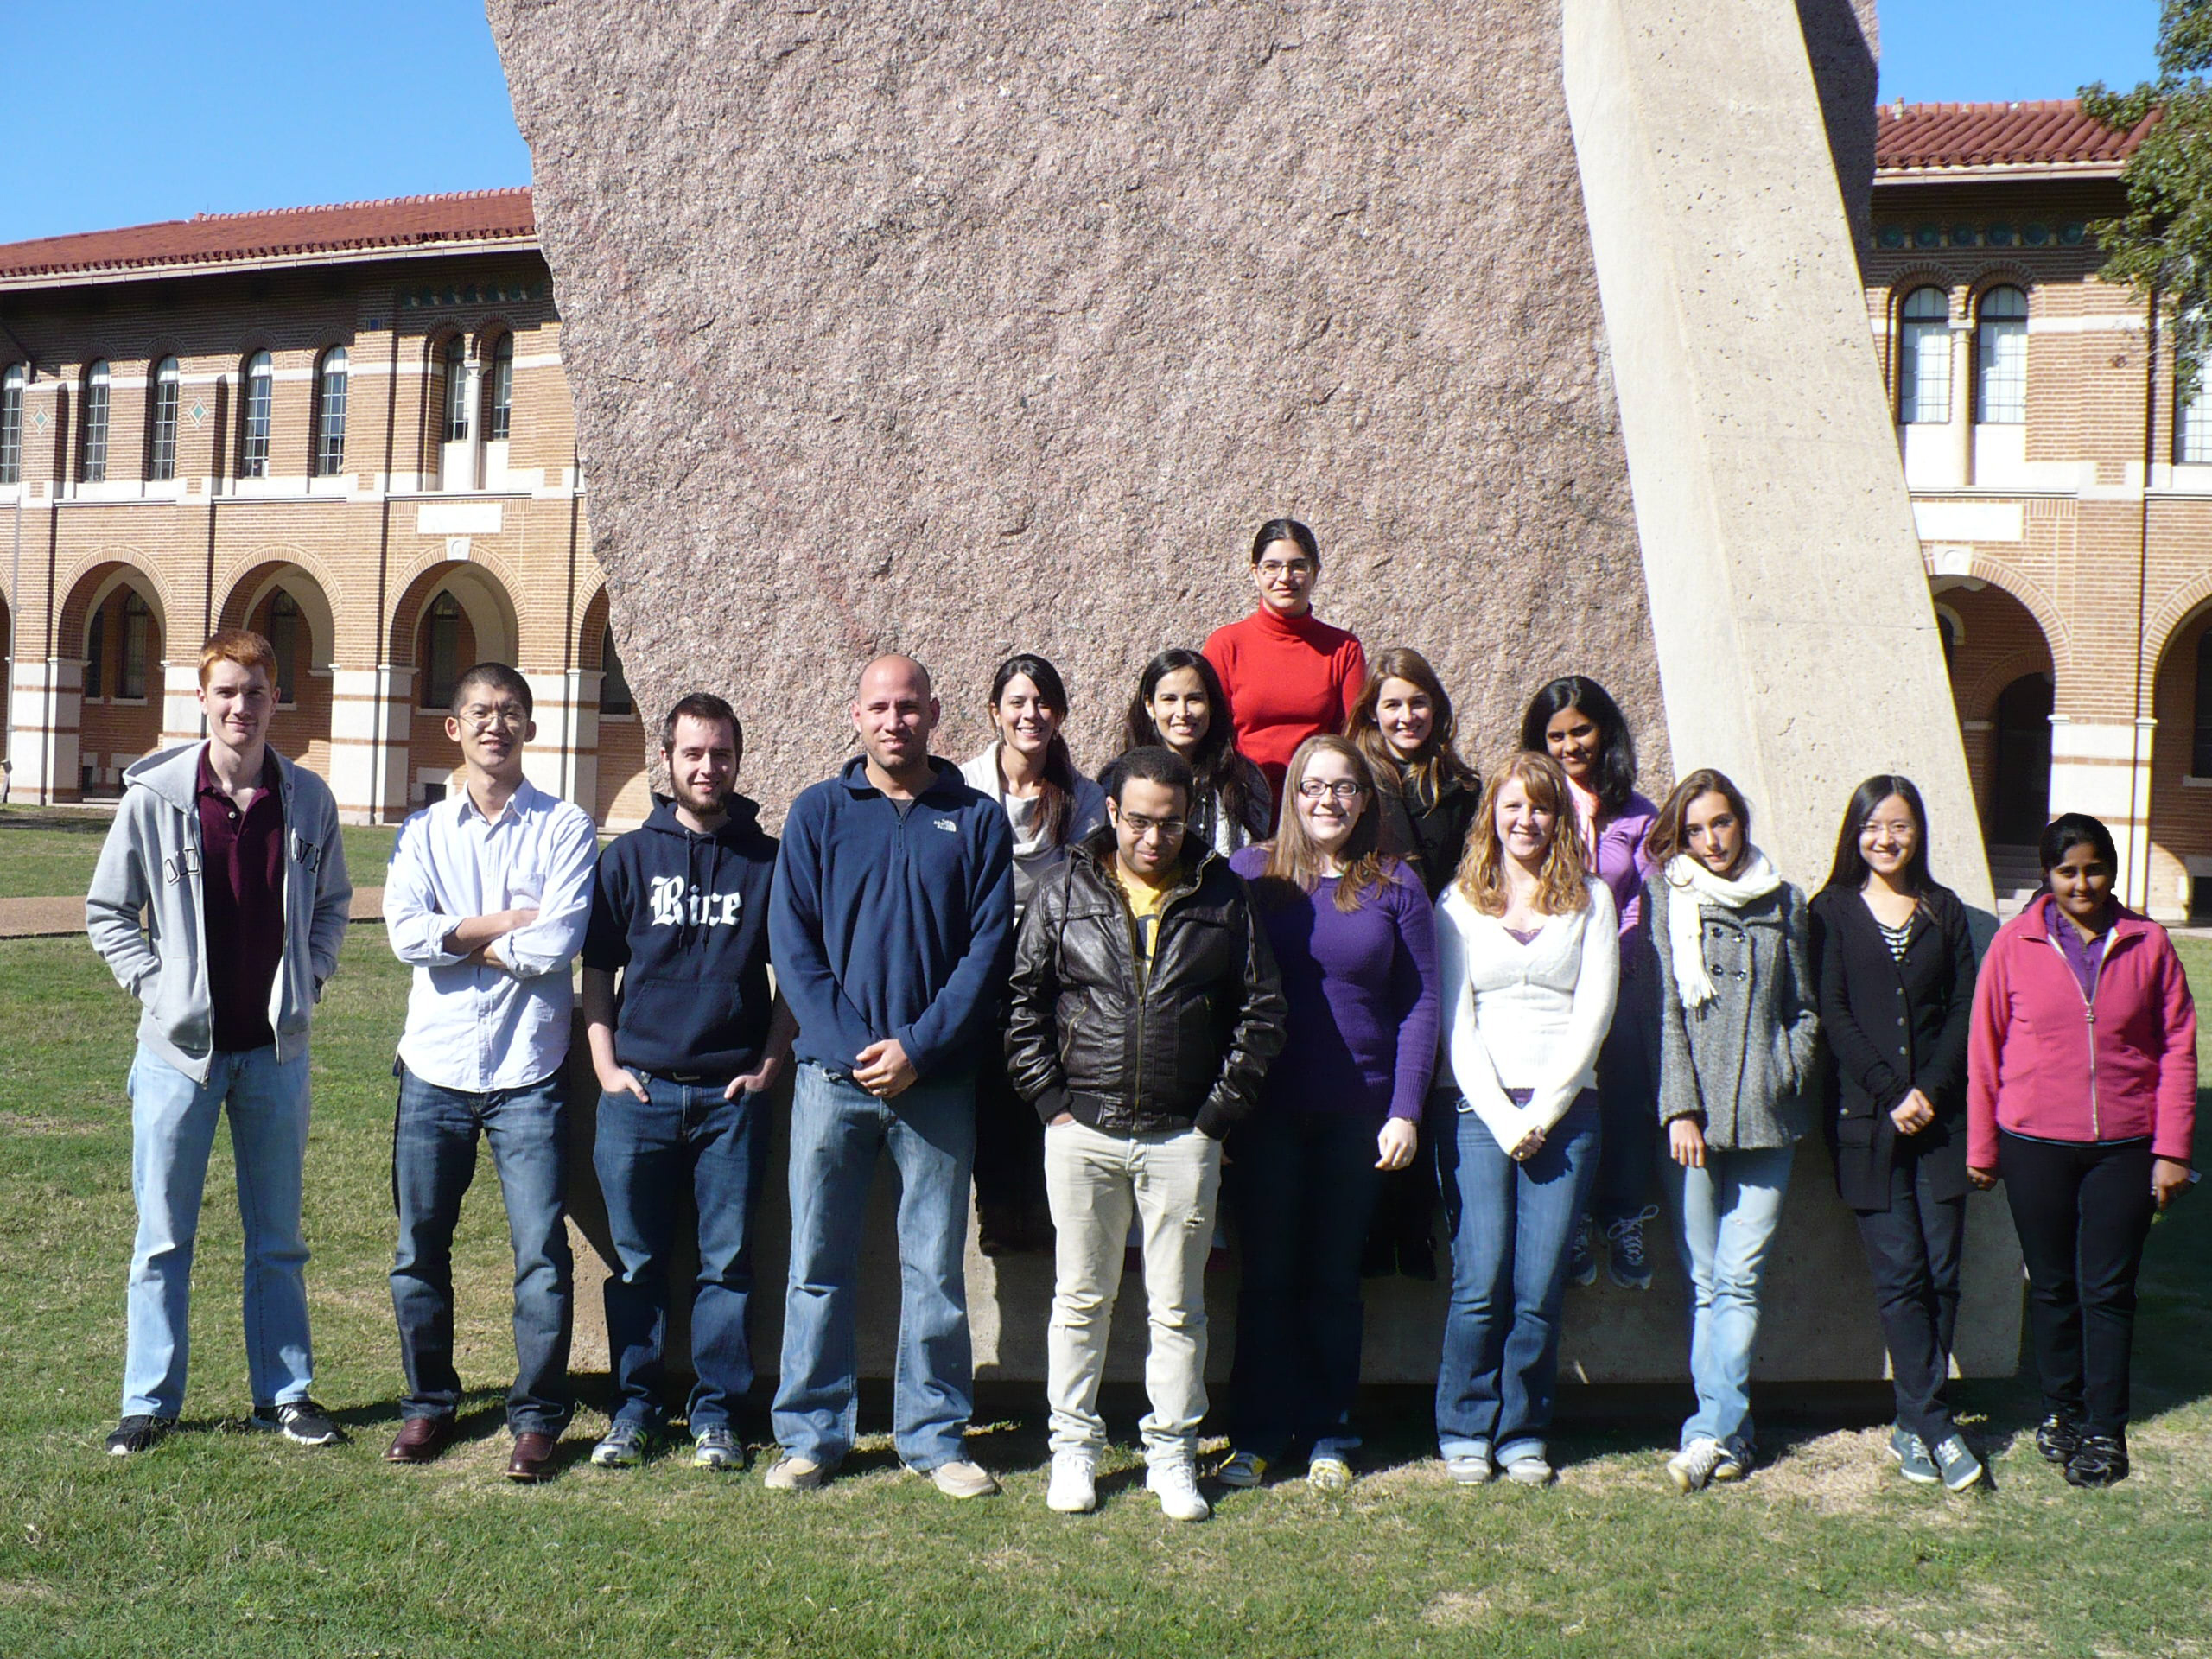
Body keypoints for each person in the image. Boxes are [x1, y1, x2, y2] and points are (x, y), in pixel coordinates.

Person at [86, 630, 353, 1457]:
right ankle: (148, 1403)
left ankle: (286, 1395)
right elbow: (108, 912)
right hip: (178, 1059)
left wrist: (311, 976)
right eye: (227, 692)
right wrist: (157, 989)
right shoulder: (156, 797)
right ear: (201, 698)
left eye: (256, 692)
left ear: (277, 700)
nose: (242, 707)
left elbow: (333, 904)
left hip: (274, 1056)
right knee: (162, 1239)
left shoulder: (307, 799)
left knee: (277, 1239)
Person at [1004, 746, 1286, 1521]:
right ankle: (1074, 1451)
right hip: (1083, 1132)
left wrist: (1214, 1117)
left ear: (1190, 818)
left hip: (1181, 1137)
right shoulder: (1065, 888)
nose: (1153, 839)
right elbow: (1024, 1001)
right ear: (1113, 814)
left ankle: (1172, 1455)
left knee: (1178, 1308)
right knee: (1080, 1301)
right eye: (1137, 821)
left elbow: (1261, 1013)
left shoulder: (1223, 894)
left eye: (1170, 823)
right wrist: (1049, 1100)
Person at [766, 655, 1014, 1497]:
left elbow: (987, 952)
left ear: (934, 714)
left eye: (908, 707)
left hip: (935, 1085)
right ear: (856, 715)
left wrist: (917, 1049)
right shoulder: (818, 813)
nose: (894, 721)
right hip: (829, 1082)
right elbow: (793, 947)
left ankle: (935, 1438)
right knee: (816, 1264)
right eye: (878, 707)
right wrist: (853, 1050)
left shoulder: (975, 820)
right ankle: (811, 1436)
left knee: (934, 1271)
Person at [381, 662, 599, 1483]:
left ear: (530, 728)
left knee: (540, 1254)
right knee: (418, 1249)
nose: (494, 725)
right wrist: (504, 921)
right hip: (434, 1069)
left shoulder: (565, 828)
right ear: (454, 727)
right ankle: (428, 1403)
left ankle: (537, 1418)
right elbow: (403, 935)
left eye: (510, 712)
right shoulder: (422, 832)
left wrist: (458, 936)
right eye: (479, 711)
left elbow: (558, 943)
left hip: (527, 1072)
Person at [581, 693, 795, 1472]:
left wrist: (770, 1062)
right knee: (636, 1264)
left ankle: (716, 1417)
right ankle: (633, 1411)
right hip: (638, 1094)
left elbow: (794, 974)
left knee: (726, 1267)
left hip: (728, 1101)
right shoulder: (628, 858)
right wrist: (606, 1067)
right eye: (694, 754)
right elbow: (598, 969)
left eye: (721, 754)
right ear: (667, 761)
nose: (708, 768)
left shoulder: (767, 861)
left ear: (738, 761)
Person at [1218, 736, 1438, 1492]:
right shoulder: (1250, 874)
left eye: (1344, 788)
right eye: (1313, 787)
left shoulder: (1395, 883)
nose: (1328, 801)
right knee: (1266, 1278)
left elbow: (1420, 1003)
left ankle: (1329, 1435)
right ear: (1292, 796)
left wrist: (1406, 1109)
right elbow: (1217, 991)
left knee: (1334, 1280)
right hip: (1265, 1114)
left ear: (1365, 800)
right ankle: (1255, 1436)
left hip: (1358, 1115)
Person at [1967, 813, 2196, 1489]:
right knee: (2052, 1287)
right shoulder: (2013, 944)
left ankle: (2104, 1429)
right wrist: (1983, 1147)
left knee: (2108, 1290)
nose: (2081, 883)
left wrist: (2172, 1149)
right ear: (2048, 876)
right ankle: (2061, 1411)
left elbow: (2179, 1049)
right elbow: (1985, 1049)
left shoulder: (2149, 944)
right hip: (2033, 1146)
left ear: (2111, 872)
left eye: (2094, 869)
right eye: (2067, 871)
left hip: (2123, 1149)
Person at [1428, 751, 1618, 1488]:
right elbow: (1456, 1024)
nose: (1526, 820)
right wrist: (1507, 1120)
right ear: (1492, 816)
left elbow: (1594, 1013)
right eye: (1513, 806)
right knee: (1481, 1279)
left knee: (1538, 1287)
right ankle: (1464, 1427)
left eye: (1540, 807)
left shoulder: (1591, 899)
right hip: (1477, 1112)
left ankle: (1522, 1432)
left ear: (1559, 817)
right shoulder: (1458, 903)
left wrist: (1544, 1110)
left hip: (1567, 1113)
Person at [1645, 769, 1819, 1491]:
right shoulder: (1668, 896)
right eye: (1695, 830)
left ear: (1741, 821)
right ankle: (1729, 1436)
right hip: (1692, 1119)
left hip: (1767, 1114)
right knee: (1706, 1282)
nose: (1711, 841)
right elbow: (1664, 1009)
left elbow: (1803, 1006)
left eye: (1721, 823)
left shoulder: (1785, 900)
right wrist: (1681, 1107)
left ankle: (1708, 1435)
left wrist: (1787, 1064)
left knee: (1740, 1280)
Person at [1810, 777, 1984, 1491]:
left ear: (1919, 832)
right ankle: (1937, 1425)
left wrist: (1930, 1092)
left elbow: (1965, 1008)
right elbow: (1833, 1013)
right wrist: (1892, 1092)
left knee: (1941, 1275)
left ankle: (1915, 1424)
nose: (1886, 839)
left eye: (1900, 825)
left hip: (1942, 1124)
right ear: (1855, 834)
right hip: (1867, 1125)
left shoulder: (1945, 910)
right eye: (1873, 825)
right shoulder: (1830, 912)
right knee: (1901, 1276)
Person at [960, 654, 1107, 1255]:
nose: (1031, 715)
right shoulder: (964, 789)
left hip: (1054, 969)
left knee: (1045, 1083)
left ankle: (1043, 1215)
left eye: (1044, 703)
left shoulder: (1085, 797)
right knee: (989, 1087)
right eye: (1017, 702)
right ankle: (998, 1212)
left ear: (1061, 714)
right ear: (994, 712)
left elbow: (1085, 889)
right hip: (980, 962)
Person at [1522, 676, 1662, 1293]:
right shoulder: (1532, 807)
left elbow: (1646, 897)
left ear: (1605, 731)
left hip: (1622, 975)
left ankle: (1623, 1214)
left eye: (1581, 731)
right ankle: (1572, 1219)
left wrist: (1618, 961)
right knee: (1564, 1095)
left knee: (1626, 1097)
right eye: (1555, 736)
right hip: (1551, 980)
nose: (1570, 746)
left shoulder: (1637, 811)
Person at [1348, 647, 1480, 1279]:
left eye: (1418, 702)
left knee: (1427, 1095)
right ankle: (1375, 1238)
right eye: (1393, 704)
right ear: (1371, 712)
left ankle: (1419, 1233)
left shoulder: (1463, 788)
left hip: (1445, 956)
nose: (1406, 717)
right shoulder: (1355, 784)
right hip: (1375, 957)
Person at [1202, 518, 1367, 802]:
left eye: (1298, 566)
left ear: (1316, 572)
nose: (1285, 577)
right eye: (1272, 566)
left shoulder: (1343, 648)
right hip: (1245, 798)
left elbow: (1355, 737)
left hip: (1317, 801)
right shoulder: (1226, 645)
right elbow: (1212, 734)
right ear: (1255, 573)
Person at [1120, 648, 1273, 856]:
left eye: (1194, 699)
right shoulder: (1122, 777)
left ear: (1211, 705)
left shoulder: (1245, 780)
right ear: (1150, 706)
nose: (1182, 713)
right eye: (1169, 699)